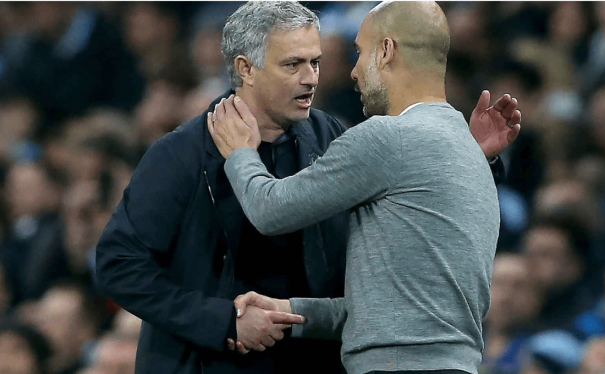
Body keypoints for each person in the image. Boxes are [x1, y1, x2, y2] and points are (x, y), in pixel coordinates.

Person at [96, 2, 520, 374]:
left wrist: (465, 155)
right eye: (292, 64)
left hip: (320, 361)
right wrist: (221, 320)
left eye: (315, 63)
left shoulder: (338, 136)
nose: (311, 78)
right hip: (211, 362)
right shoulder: (180, 154)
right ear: (246, 68)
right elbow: (118, 263)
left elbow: (399, 216)